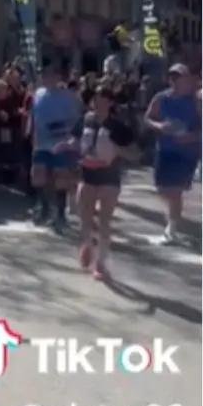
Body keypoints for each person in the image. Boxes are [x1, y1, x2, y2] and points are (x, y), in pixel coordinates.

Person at [76, 83, 135, 277]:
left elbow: (135, 153)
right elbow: (75, 140)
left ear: (110, 103)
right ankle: (86, 245)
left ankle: (101, 262)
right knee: (85, 217)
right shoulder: (86, 121)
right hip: (87, 173)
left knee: (104, 221)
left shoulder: (117, 126)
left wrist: (117, 150)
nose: (98, 103)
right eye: (95, 100)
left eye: (103, 100)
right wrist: (66, 146)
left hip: (108, 174)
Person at [145, 66, 200, 244]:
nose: (176, 80)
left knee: (175, 190)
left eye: (180, 77)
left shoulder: (196, 101)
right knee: (163, 188)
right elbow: (148, 118)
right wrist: (159, 126)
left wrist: (192, 136)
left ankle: (172, 228)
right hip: (164, 148)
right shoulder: (162, 98)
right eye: (173, 77)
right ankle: (173, 221)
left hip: (186, 152)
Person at [27, 63, 83, 231]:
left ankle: (59, 213)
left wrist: (67, 134)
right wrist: (31, 132)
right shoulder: (38, 94)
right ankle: (42, 206)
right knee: (37, 174)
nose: (46, 78)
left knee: (61, 178)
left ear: (59, 78)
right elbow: (34, 115)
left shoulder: (69, 97)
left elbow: (76, 120)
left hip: (61, 142)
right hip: (41, 142)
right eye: (45, 75)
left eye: (51, 75)